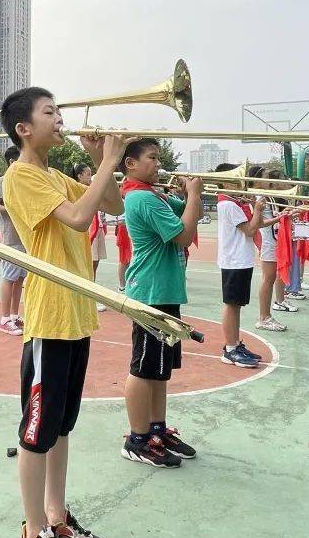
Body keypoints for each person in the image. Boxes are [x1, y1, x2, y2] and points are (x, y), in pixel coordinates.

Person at [0, 87, 124, 538]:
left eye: (59, 111)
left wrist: (102, 163)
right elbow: (76, 218)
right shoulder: (22, 176)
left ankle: (57, 518)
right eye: (49, 112)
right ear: (23, 128)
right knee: (36, 431)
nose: (60, 119)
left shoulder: (54, 174)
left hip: (76, 316)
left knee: (61, 426)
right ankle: (31, 537)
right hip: (49, 319)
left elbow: (110, 204)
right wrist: (109, 159)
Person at [118, 139, 201, 467]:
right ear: (131, 164)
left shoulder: (155, 195)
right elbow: (183, 234)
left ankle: (157, 428)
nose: (158, 163)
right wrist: (193, 195)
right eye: (151, 158)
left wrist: (188, 196)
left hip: (163, 290)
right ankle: (137, 438)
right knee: (143, 367)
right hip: (150, 292)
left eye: (158, 157)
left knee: (160, 369)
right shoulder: (140, 197)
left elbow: (186, 214)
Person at [215, 162, 266, 367]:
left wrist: (255, 207)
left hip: (239, 259)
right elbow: (251, 230)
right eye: (235, 181)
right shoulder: (228, 204)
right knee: (232, 304)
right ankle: (230, 348)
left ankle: (235, 345)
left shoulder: (233, 203)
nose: (240, 184)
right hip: (234, 260)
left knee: (236, 304)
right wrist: (258, 208)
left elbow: (254, 226)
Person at [0, 147, 27, 336]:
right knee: (9, 277)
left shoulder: (23, 182)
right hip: (11, 239)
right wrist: (11, 208)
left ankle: (13, 315)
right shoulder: (3, 181)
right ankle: (4, 318)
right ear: (13, 163)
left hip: (24, 239)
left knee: (20, 278)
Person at [250, 167, 295, 332]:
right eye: (267, 178)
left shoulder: (267, 196)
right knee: (268, 278)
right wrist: (281, 217)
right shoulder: (260, 197)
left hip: (273, 239)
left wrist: (284, 215)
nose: (271, 182)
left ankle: (266, 315)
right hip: (268, 240)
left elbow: (271, 218)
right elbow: (262, 222)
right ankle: (263, 317)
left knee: (271, 277)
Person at [74, 162, 109, 312]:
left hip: (98, 228)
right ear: (79, 176)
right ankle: (87, 298)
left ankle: (89, 296)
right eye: (88, 174)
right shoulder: (78, 189)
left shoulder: (91, 189)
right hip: (89, 230)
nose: (90, 177)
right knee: (88, 265)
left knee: (94, 265)